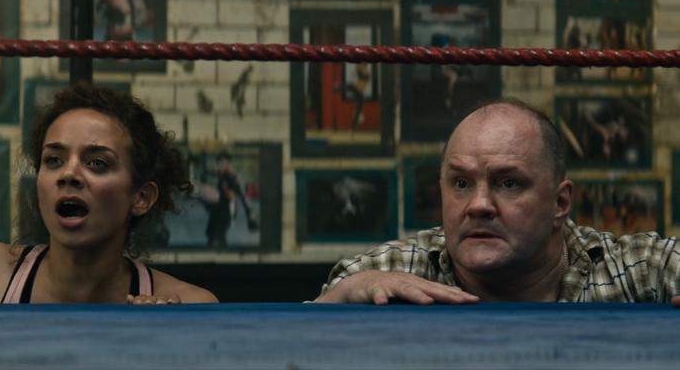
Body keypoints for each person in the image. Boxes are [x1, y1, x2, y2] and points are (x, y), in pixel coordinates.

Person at [0, 83, 218, 305]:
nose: (69, 174)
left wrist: (167, 343)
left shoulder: (187, 306)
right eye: (53, 159)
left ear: (141, 197)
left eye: (97, 163)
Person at [315, 98, 680, 306]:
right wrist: (341, 299)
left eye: (508, 183)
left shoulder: (639, 271)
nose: (479, 205)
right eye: (461, 183)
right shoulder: (394, 270)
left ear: (560, 202)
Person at [194, 152, 257, 248]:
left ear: (229, 164)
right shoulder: (221, 174)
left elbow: (245, 197)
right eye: (219, 164)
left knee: (218, 235)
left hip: (227, 211)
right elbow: (211, 172)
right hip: (217, 210)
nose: (220, 166)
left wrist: (251, 217)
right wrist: (203, 170)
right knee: (212, 235)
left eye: (223, 163)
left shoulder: (235, 178)